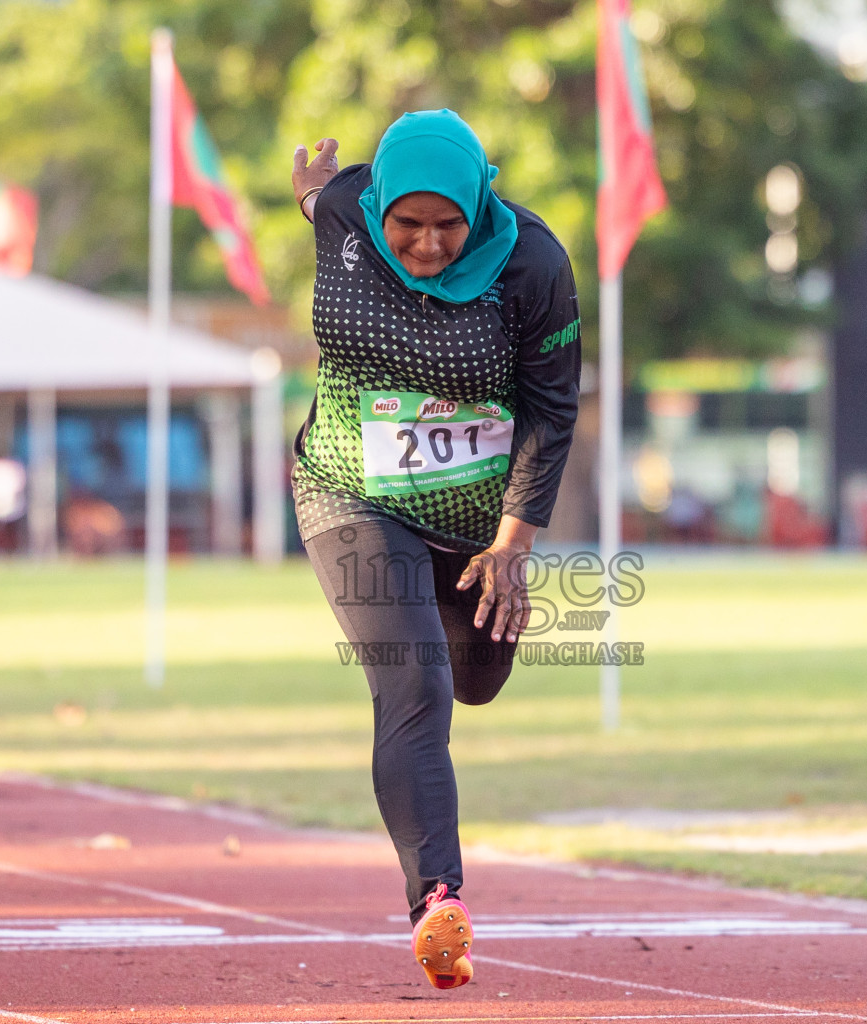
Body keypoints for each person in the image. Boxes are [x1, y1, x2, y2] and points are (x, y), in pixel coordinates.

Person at [289, 110, 581, 989]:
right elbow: (320, 203)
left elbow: (553, 409)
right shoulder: (348, 212)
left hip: (478, 520)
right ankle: (437, 900)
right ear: (376, 208)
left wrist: (512, 547)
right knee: (412, 683)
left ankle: (484, 593)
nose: (424, 244)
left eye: (446, 224)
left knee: (474, 678)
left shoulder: (533, 263)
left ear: (477, 206)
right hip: (349, 489)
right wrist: (310, 194)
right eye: (406, 224)